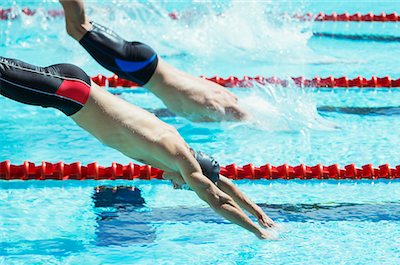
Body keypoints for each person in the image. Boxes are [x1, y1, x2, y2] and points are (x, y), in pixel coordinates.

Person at [0, 56, 275, 239]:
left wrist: (258, 211)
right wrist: (256, 232)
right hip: (71, 92)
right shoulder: (178, 155)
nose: (178, 187)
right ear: (194, 174)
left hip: (71, 91)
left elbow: (221, 183)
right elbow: (216, 198)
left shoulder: (179, 155)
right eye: (188, 186)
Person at [59, 0, 248, 122]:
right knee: (77, 27)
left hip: (144, 61)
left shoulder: (219, 95)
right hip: (136, 66)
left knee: (79, 26)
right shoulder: (208, 106)